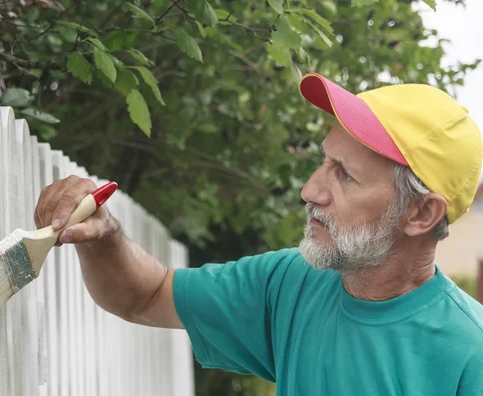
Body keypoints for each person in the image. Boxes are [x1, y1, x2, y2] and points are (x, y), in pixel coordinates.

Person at [34, 72, 483, 395]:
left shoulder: (470, 355)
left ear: (422, 213)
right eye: (324, 161)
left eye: (344, 175)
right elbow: (147, 296)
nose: (311, 189)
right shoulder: (291, 283)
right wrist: (104, 236)